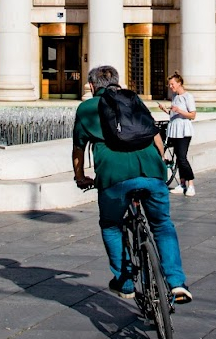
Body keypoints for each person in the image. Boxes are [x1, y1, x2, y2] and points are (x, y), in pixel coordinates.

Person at [72, 65, 191, 304]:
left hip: (113, 177)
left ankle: (125, 282)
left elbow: (78, 149)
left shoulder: (86, 108)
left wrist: (80, 176)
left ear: (92, 86)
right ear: (118, 82)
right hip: (151, 170)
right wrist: (163, 162)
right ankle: (177, 283)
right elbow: (154, 133)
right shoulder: (132, 99)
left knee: (111, 225)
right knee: (162, 224)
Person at [158, 72, 197, 196]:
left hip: (184, 130)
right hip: (174, 129)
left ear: (179, 83)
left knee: (182, 157)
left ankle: (191, 184)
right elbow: (173, 115)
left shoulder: (188, 97)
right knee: (178, 159)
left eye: (172, 84)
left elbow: (192, 115)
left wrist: (179, 110)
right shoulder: (175, 96)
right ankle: (182, 183)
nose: (170, 87)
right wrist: (166, 110)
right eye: (169, 84)